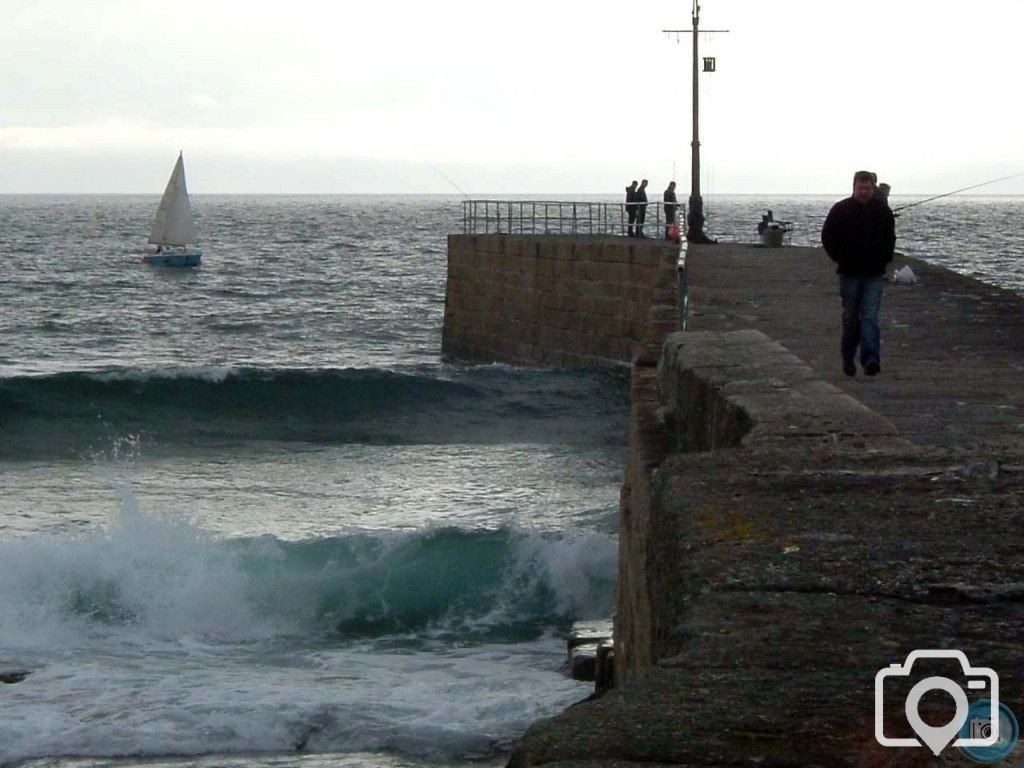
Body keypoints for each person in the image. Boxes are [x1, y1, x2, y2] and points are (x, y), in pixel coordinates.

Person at [821, 170, 896, 377]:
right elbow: (827, 236)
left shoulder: (882, 211)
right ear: (854, 188)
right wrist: (839, 257)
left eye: (867, 188)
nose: (864, 192)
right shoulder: (840, 209)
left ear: (873, 189)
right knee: (851, 318)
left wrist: (885, 258)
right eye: (860, 188)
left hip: (874, 273)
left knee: (870, 317)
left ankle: (871, 359)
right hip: (849, 272)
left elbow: (890, 238)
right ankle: (848, 356)